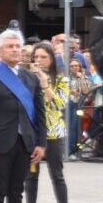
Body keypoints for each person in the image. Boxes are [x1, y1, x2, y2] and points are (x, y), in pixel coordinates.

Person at [0, 29, 46, 203]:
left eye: (18, 46)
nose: (15, 50)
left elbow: (40, 114)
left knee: (17, 190)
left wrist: (41, 143)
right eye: (9, 46)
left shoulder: (30, 77)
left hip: (25, 142)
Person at [24, 43, 68, 203]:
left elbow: (60, 104)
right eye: (36, 57)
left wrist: (45, 83)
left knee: (57, 175)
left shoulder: (61, 79)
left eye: (43, 57)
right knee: (31, 176)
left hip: (53, 133)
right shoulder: (27, 78)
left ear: (52, 59)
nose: (39, 60)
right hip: (32, 133)